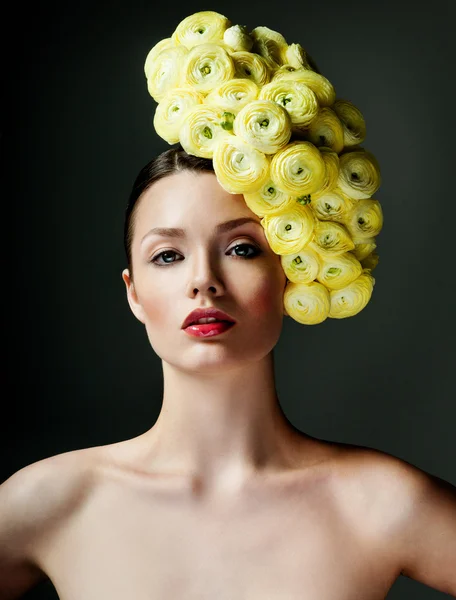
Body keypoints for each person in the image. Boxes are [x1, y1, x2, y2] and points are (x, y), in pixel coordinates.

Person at [0, 143, 455, 599]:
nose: (203, 280)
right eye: (167, 256)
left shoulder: (379, 502)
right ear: (133, 292)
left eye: (241, 248)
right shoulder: (53, 500)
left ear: (290, 274)